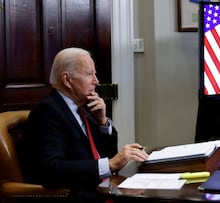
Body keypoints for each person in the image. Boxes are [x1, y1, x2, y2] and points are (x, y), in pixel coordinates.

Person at [19, 47, 149, 201]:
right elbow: (51, 169)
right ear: (67, 79)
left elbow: (107, 155)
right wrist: (111, 164)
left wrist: (102, 122)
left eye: (95, 74)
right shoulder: (48, 112)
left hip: (104, 189)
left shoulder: (82, 108)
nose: (96, 81)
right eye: (89, 74)